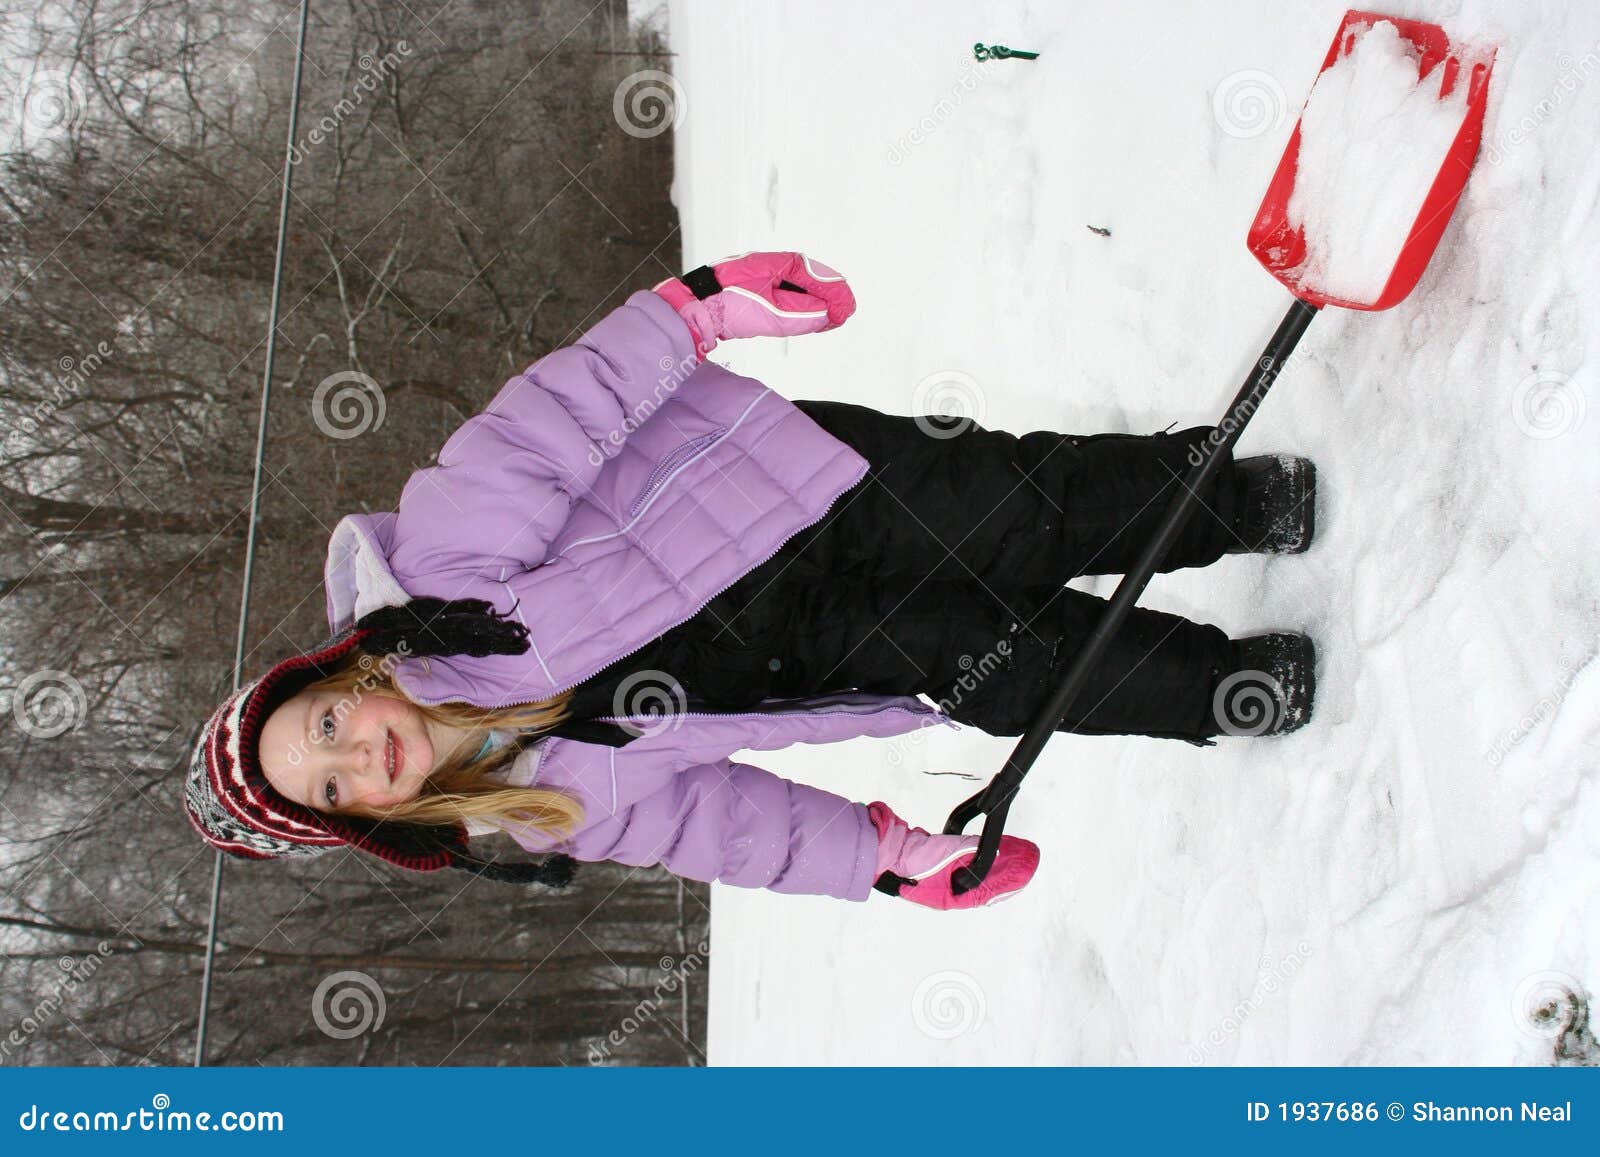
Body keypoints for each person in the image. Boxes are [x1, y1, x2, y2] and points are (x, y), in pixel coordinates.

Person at [185, 251, 1316, 912]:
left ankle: (1230, 502)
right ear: (370, 822)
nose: (352, 752)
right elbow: (720, 827)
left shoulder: (434, 570)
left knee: (1020, 509)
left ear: (339, 671)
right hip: (825, 649)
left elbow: (551, 424)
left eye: (323, 722)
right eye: (330, 787)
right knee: (1021, 671)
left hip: (793, 486)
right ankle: (1231, 685)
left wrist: (696, 309)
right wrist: (883, 857)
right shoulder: (541, 805)